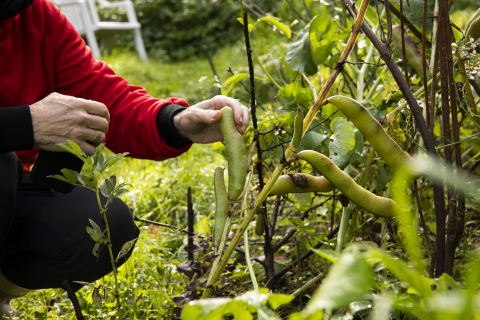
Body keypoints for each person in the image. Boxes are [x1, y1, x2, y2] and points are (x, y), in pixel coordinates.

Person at [0, 0, 250, 316]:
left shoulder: (34, 16)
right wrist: (24, 124)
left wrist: (175, 122)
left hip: (11, 188)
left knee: (106, 231)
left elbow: (104, 100)